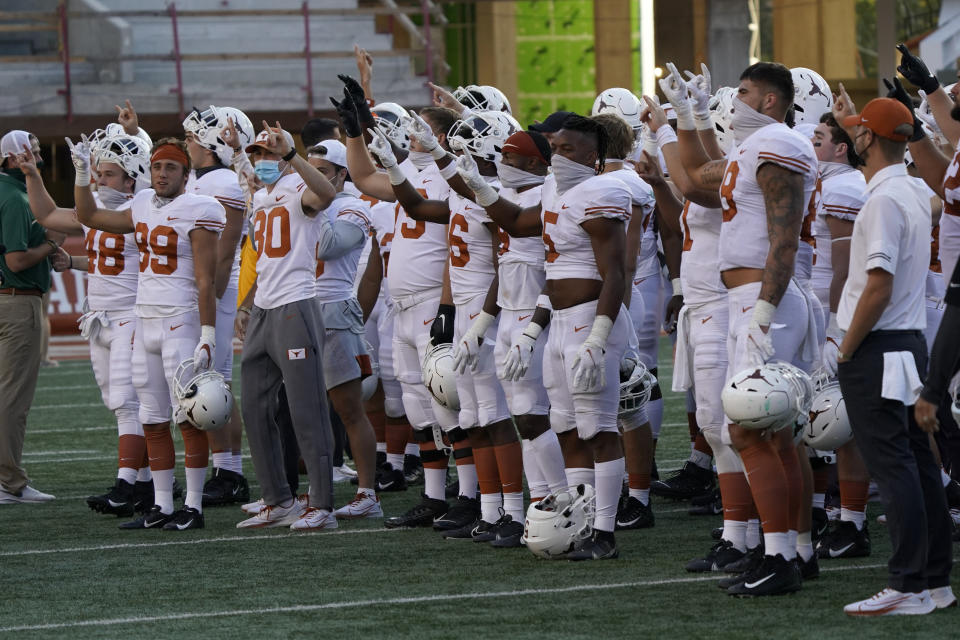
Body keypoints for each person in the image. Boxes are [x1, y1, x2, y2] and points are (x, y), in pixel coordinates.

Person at [672, 62, 819, 595]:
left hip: (766, 299)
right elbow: (694, 178)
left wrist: (763, 309)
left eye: (748, 92)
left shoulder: (779, 143)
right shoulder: (751, 149)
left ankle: (779, 555)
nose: (737, 100)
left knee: (750, 428)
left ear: (773, 102)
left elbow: (784, 237)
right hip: (751, 299)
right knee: (775, 431)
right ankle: (795, 551)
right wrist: (686, 116)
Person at [830, 93, 954, 616]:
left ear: (868, 139)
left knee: (895, 465)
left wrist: (847, 349)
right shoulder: (907, 187)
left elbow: (875, 286)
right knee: (917, 464)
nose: (853, 134)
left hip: (879, 346)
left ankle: (908, 583)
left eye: (858, 129)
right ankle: (934, 579)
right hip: (907, 344)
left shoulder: (883, 199)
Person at [74, 136, 225, 531]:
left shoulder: (200, 208)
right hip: (145, 320)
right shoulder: (139, 204)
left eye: (171, 167)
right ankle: (161, 505)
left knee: (188, 417)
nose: (162, 173)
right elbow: (88, 215)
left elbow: (206, 279)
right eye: (157, 167)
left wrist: (208, 332)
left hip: (181, 320)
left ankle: (192, 505)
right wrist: (80, 173)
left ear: (185, 173)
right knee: (153, 418)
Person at [21, 130, 154, 516]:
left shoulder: (145, 209)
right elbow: (46, 215)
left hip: (131, 314)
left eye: (109, 173)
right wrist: (32, 175)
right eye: (99, 172)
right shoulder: (96, 208)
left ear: (132, 177)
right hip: (100, 316)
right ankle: (144, 482)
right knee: (116, 402)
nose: (100, 179)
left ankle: (126, 483)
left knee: (128, 403)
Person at [234, 124, 339, 530]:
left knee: (306, 409)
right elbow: (266, 261)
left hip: (296, 305)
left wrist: (293, 154)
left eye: (269, 154)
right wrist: (246, 305)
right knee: (256, 408)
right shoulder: (260, 197)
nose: (264, 162)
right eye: (259, 155)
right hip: (263, 308)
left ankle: (323, 504)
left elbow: (327, 194)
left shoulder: (299, 187)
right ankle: (278, 498)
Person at [303, 139, 382, 519]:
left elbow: (328, 248)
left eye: (321, 174)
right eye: (309, 171)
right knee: (307, 410)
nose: (312, 180)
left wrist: (309, 209)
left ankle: (368, 493)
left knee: (349, 409)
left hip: (335, 309)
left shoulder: (352, 206)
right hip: (299, 307)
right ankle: (315, 492)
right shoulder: (301, 203)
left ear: (340, 174)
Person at [183, 105, 253, 507]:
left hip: (215, 291)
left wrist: (210, 298)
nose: (189, 144)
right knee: (207, 380)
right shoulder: (203, 179)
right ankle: (224, 469)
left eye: (193, 138)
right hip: (202, 288)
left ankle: (230, 474)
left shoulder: (224, 182)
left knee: (215, 382)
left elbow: (225, 253)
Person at [0, 129, 63, 505]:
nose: (38, 156)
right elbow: (17, 259)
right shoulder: (13, 197)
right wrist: (50, 246)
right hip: (16, 300)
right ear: (13, 157)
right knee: (12, 399)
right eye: (33, 151)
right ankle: (9, 481)